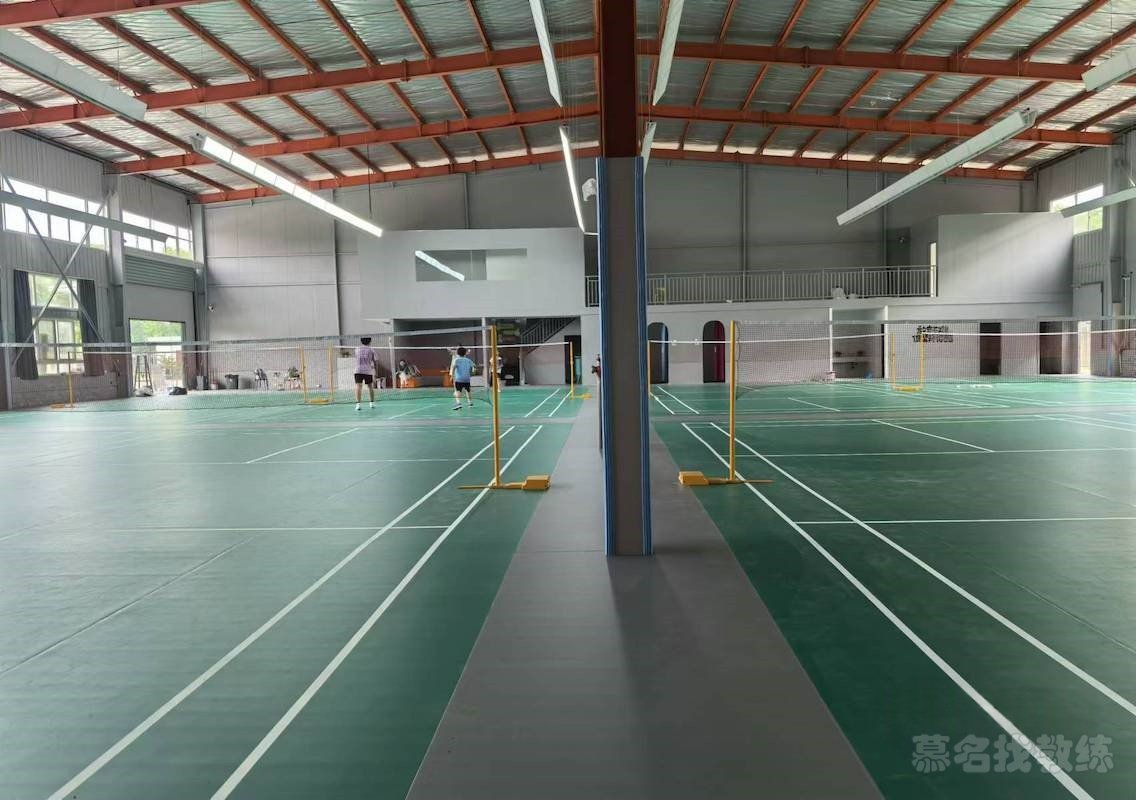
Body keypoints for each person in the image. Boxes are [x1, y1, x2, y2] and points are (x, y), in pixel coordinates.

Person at [354, 336, 378, 411]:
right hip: (368, 370)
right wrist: (376, 371)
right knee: (370, 386)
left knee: (358, 386)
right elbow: (375, 361)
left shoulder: (356, 349)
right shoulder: (371, 350)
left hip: (358, 370)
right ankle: (372, 403)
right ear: (370, 342)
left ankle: (358, 405)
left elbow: (356, 358)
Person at [451, 346, 475, 411]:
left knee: (457, 391)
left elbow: (454, 368)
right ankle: (470, 402)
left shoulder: (456, 360)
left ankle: (458, 403)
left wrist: (452, 376)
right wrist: (472, 372)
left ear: (457, 353)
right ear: (465, 353)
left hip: (459, 379)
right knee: (468, 391)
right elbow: (473, 367)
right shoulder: (468, 360)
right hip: (467, 378)